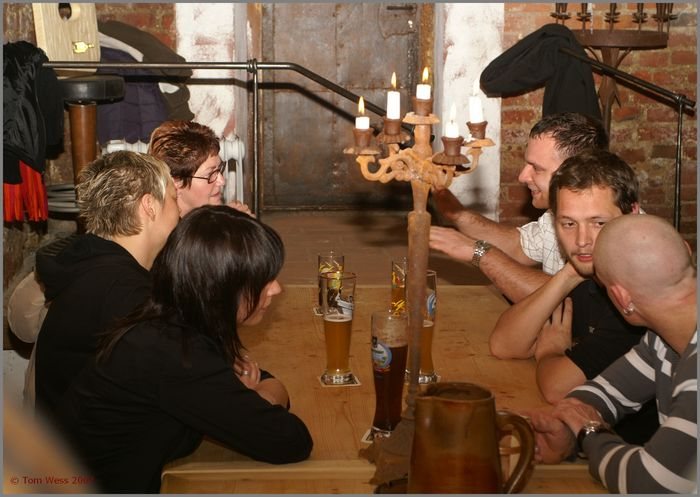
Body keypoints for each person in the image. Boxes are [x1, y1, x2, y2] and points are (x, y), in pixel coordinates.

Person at [55, 205, 313, 493]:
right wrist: (261, 398)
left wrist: (252, 399)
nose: (276, 289)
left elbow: (253, 377)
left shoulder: (168, 318)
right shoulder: (176, 354)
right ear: (223, 288)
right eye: (263, 279)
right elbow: (290, 441)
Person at [488, 150, 658, 443]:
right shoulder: (588, 271)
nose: (581, 240)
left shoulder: (639, 291)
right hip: (586, 439)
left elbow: (557, 387)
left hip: (636, 453)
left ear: (632, 214)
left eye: (598, 223)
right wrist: (568, 274)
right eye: (568, 224)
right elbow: (504, 344)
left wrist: (549, 352)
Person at [527, 214, 696, 494]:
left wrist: (590, 433)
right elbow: (606, 392)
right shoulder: (662, 339)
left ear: (621, 298)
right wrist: (568, 431)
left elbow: (649, 483)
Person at [34, 151, 180, 418]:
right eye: (174, 198)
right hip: (80, 443)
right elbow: (178, 382)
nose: (179, 210)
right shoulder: (123, 291)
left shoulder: (98, 268)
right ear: (149, 206)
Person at [429, 112, 608, 303]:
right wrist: (457, 213)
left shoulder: (605, 228)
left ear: (575, 172)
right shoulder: (553, 216)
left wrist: (480, 253)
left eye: (536, 168)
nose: (523, 176)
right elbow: (517, 245)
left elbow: (568, 298)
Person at [147, 119, 252, 216]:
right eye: (210, 174)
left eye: (219, 169)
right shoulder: (166, 229)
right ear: (176, 182)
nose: (222, 181)